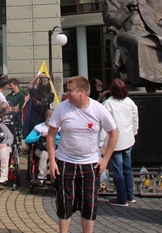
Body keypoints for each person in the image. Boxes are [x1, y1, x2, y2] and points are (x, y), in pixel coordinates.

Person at [47, 76, 119, 233]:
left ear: (82, 92)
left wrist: (105, 159)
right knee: (65, 202)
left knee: (89, 204)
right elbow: (51, 135)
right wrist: (52, 161)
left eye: (70, 90)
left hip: (91, 164)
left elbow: (113, 134)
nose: (67, 93)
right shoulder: (62, 108)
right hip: (66, 162)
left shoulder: (98, 109)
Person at [102, 79, 139, 207]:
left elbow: (103, 124)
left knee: (118, 170)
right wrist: (134, 133)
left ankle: (122, 198)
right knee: (127, 168)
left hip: (115, 141)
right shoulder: (130, 102)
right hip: (128, 139)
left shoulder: (108, 104)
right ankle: (130, 195)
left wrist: (100, 141)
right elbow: (135, 119)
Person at [24, 108, 58, 182]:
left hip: (55, 149)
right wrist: (40, 137)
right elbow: (27, 139)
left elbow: (64, 138)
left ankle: (55, 177)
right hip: (42, 149)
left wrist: (52, 136)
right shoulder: (39, 127)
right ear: (49, 118)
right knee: (44, 154)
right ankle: (42, 177)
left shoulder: (59, 128)